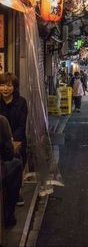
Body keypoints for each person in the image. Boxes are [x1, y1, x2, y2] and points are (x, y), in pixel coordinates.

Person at [0, 72, 28, 206]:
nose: (5, 88)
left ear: (14, 87)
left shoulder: (21, 102)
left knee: (16, 158)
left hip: (18, 139)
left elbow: (21, 126)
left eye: (9, 85)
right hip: (1, 141)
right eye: (2, 85)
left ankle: (16, 192)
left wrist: (11, 139)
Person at [0, 114, 23, 228]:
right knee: (17, 163)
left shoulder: (21, 103)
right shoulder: (2, 120)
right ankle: (9, 215)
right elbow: (8, 154)